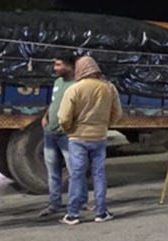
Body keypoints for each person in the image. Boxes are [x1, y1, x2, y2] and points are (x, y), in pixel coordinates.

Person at [58, 55, 121, 225]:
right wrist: (105, 126)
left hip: (77, 138)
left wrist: (69, 129)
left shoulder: (74, 89)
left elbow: (64, 117)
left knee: (76, 175)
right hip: (99, 137)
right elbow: (117, 113)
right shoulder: (109, 88)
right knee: (99, 175)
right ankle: (101, 213)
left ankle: (72, 214)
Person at [38, 53, 77, 218]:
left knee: (74, 170)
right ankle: (54, 204)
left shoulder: (77, 85)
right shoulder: (58, 82)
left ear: (70, 66)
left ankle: (78, 202)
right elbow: (54, 102)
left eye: (59, 65)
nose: (55, 68)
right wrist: (46, 116)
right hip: (50, 133)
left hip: (66, 135)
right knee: (52, 171)